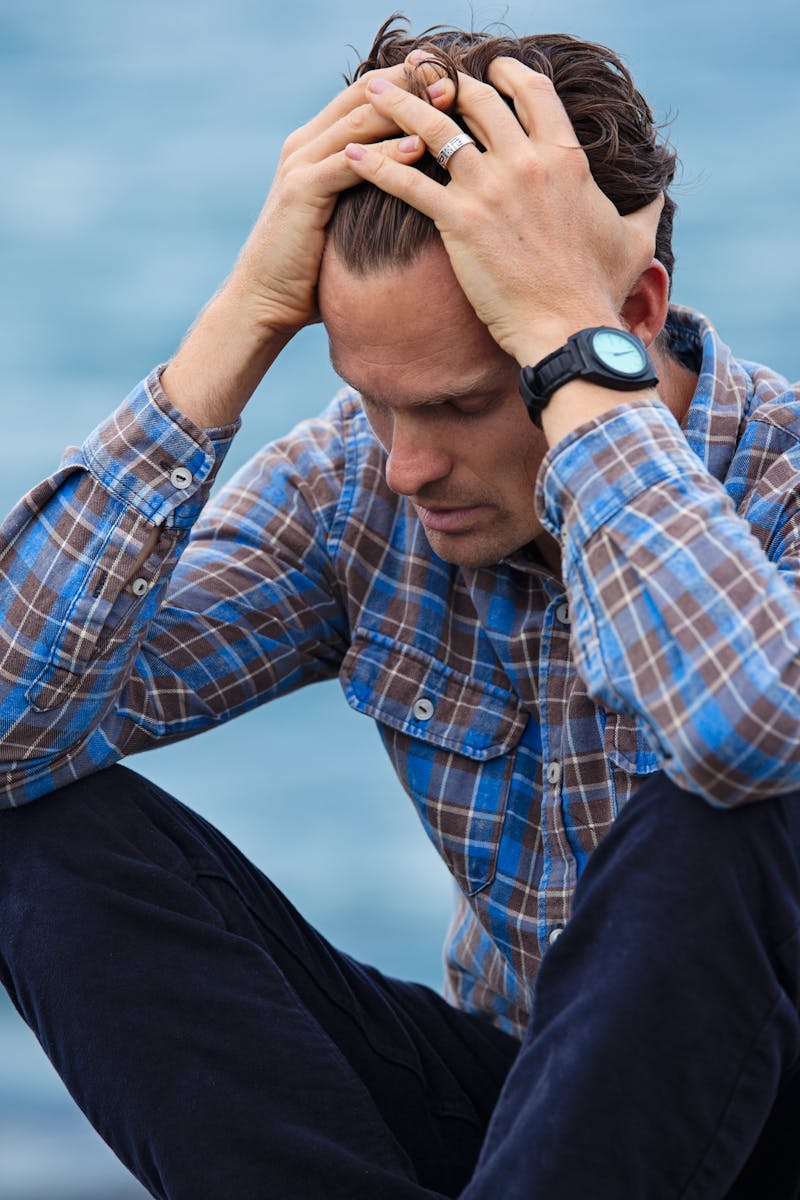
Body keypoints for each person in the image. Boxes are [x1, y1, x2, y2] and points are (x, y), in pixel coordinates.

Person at [2, 15, 800, 1199]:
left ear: (627, 317)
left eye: (465, 404)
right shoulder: (356, 491)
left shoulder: (779, 476)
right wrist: (241, 323)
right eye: (376, 403)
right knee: (37, 828)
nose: (403, 467)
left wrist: (568, 357)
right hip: (532, 1108)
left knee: (722, 811)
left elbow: (743, 727)